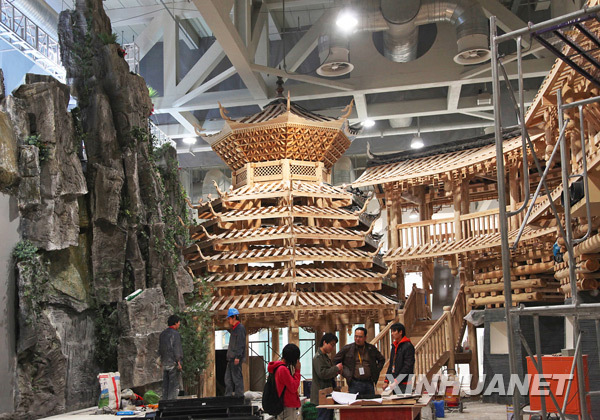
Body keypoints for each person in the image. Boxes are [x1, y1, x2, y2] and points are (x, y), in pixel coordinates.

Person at [333, 327, 385, 395]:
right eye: (356, 336)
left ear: (365, 337)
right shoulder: (348, 349)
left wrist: (376, 370)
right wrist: (345, 372)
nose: (357, 339)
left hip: (369, 382)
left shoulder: (371, 348)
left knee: (370, 404)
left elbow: (382, 360)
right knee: (355, 404)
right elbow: (335, 360)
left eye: (360, 337)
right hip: (354, 382)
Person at [311, 333, 342, 420]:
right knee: (323, 417)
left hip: (327, 392)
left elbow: (328, 372)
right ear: (324, 342)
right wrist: (336, 368)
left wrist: (336, 372)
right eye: (331, 345)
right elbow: (322, 373)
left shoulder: (325, 357)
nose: (332, 348)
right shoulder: (318, 357)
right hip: (322, 393)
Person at [267, 343, 302, 420]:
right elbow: (293, 387)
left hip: (285, 405)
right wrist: (297, 371)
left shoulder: (278, 368)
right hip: (286, 406)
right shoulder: (282, 369)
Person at [383, 322, 415, 394]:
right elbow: (391, 364)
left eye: (394, 331)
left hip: (405, 382)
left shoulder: (408, 346)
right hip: (395, 381)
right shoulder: (394, 346)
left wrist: (397, 380)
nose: (392, 334)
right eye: (392, 331)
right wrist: (386, 380)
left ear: (400, 332)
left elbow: (407, 366)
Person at [159, 314, 183, 400]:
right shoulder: (175, 334)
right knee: (173, 386)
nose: (179, 324)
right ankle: (171, 404)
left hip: (165, 363)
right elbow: (177, 349)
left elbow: (160, 349)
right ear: (175, 323)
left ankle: (164, 403)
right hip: (173, 363)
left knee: (165, 385)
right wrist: (179, 362)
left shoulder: (162, 334)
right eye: (179, 322)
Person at [225, 308, 246, 397]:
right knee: (228, 379)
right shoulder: (234, 329)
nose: (228, 320)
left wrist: (238, 356)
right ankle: (228, 396)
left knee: (237, 378)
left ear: (234, 317)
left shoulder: (240, 328)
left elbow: (240, 343)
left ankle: (239, 396)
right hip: (231, 358)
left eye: (229, 318)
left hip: (235, 358)